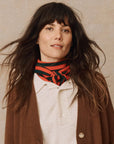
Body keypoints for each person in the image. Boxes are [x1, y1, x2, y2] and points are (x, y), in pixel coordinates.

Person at [0, 2, 113, 144]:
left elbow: (110, 136)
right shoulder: (19, 92)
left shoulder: (95, 84)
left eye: (65, 30)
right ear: (36, 37)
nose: (58, 36)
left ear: (73, 39)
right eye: (49, 28)